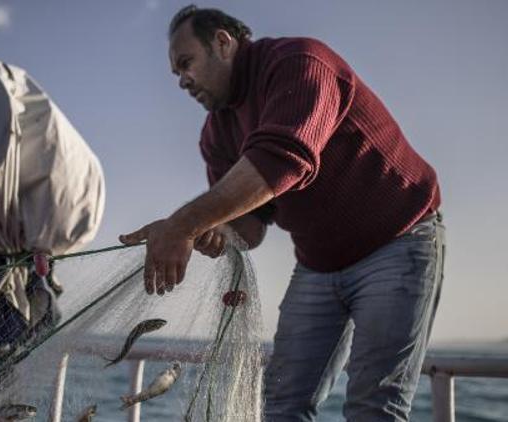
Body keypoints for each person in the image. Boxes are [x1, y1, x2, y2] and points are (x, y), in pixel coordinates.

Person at [119, 5, 445, 421]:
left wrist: (183, 225)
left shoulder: (300, 62)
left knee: (373, 408)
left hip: (397, 241)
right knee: (282, 404)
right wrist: (213, 228)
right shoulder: (215, 134)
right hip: (318, 263)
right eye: (176, 73)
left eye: (187, 63)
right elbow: (250, 228)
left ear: (223, 42)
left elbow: (282, 159)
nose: (182, 80)